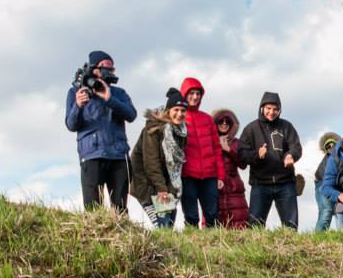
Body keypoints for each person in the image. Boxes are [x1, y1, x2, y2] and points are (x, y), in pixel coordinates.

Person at [65, 50, 137, 213]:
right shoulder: (75, 92)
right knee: (93, 209)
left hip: (118, 156)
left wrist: (109, 99)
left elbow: (131, 115)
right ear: (93, 68)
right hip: (92, 155)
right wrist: (78, 106)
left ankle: (122, 237)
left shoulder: (119, 93)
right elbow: (71, 124)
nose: (108, 71)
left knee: (120, 209)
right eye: (104, 67)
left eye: (111, 68)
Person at [238, 92, 303, 229]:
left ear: (279, 110)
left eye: (275, 109)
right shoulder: (251, 129)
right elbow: (242, 154)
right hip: (260, 183)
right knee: (255, 226)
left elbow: (296, 147)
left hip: (285, 182)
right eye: (268, 108)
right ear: (262, 108)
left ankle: (289, 249)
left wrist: (291, 155)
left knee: (290, 226)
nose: (271, 112)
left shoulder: (287, 127)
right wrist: (257, 154)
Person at [129, 88, 188, 228]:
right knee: (162, 225)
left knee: (169, 225)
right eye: (176, 109)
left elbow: (174, 168)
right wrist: (162, 189)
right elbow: (151, 162)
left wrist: (171, 192)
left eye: (183, 110)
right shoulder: (153, 129)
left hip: (166, 185)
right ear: (168, 110)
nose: (179, 114)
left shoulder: (181, 133)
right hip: (146, 184)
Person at [179, 77, 225, 228]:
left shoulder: (207, 119)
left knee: (212, 214)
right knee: (191, 216)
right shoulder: (179, 118)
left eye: (198, 93)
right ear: (184, 94)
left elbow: (217, 149)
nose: (195, 96)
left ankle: (212, 246)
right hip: (187, 175)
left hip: (209, 175)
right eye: (191, 93)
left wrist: (220, 175)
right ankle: (191, 247)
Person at [211, 108, 249, 229]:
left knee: (239, 223)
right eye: (221, 122)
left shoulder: (236, 142)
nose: (224, 124)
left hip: (234, 188)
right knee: (214, 222)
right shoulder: (209, 141)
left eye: (227, 122)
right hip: (214, 185)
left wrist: (228, 149)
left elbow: (243, 164)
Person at [313, 132, 340, 232]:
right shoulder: (329, 158)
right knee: (326, 210)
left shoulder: (339, 156)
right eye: (328, 146)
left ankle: (320, 236)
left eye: (333, 144)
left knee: (328, 211)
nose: (331, 147)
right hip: (321, 183)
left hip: (333, 185)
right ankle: (320, 236)